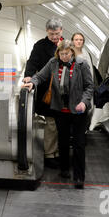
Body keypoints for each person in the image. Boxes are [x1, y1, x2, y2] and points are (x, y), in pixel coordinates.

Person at [22, 40, 94, 189]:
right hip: (61, 110)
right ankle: (64, 169)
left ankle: (79, 177)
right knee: (63, 140)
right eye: (61, 54)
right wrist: (32, 82)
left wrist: (84, 102)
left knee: (79, 143)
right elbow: (40, 76)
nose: (64, 57)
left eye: (66, 54)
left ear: (72, 52)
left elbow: (89, 86)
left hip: (78, 110)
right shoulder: (53, 63)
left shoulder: (82, 64)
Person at [23, 17, 64, 169]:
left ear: (61, 31)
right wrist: (28, 76)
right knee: (51, 123)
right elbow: (32, 62)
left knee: (61, 123)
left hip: (64, 92)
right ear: (47, 31)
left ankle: (60, 152)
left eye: (57, 33)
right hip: (47, 90)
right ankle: (50, 154)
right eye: (52, 33)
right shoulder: (40, 46)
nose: (54, 37)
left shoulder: (66, 44)